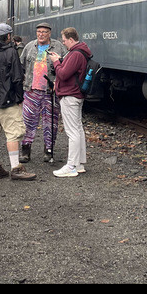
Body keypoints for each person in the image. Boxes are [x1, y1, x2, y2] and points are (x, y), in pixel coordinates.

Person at [0, 22, 36, 180]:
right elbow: (17, 77)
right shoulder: (11, 52)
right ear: (8, 36)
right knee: (13, 134)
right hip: (7, 100)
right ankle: (16, 168)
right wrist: (19, 98)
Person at [48, 27, 92, 178]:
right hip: (76, 94)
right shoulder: (80, 52)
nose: (63, 43)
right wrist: (60, 60)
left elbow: (63, 73)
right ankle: (79, 163)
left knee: (72, 131)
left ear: (71, 40)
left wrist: (55, 63)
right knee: (78, 129)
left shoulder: (75, 54)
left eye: (65, 40)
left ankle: (71, 166)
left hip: (69, 95)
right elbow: (69, 68)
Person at [19, 22, 66, 163]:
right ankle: (26, 151)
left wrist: (57, 83)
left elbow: (65, 67)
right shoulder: (29, 47)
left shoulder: (58, 47)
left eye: (44, 32)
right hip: (31, 91)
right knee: (27, 122)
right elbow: (22, 66)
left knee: (50, 123)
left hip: (50, 92)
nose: (41, 34)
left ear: (49, 33)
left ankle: (49, 151)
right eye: (39, 31)